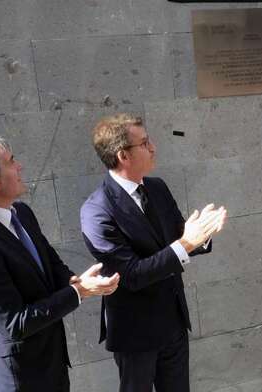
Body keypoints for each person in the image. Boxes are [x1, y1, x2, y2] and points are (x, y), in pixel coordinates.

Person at [0, 135, 120, 392]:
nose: (19, 167)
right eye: (11, 161)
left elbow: (49, 262)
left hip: (51, 365)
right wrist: (78, 292)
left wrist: (76, 281)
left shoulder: (22, 213)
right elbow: (14, 323)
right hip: (17, 378)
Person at [80, 114, 227, 392]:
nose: (154, 147)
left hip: (172, 321)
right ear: (123, 155)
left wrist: (202, 236)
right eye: (145, 143)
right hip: (135, 333)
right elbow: (133, 274)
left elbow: (179, 236)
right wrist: (187, 243)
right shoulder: (97, 211)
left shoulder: (156, 187)